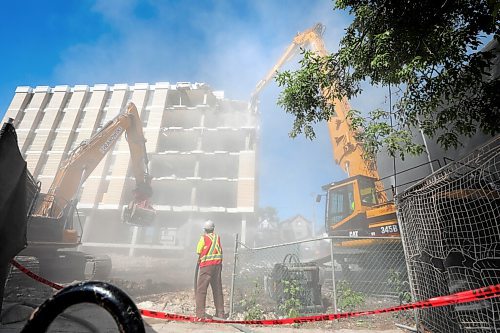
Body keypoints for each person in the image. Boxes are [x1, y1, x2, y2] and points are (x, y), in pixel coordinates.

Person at [195, 219, 225, 318]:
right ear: (213, 229)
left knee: (201, 290)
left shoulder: (203, 238)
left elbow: (198, 251)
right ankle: (220, 313)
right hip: (217, 267)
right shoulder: (217, 237)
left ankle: (200, 315)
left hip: (206, 267)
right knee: (217, 289)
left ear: (205, 229)